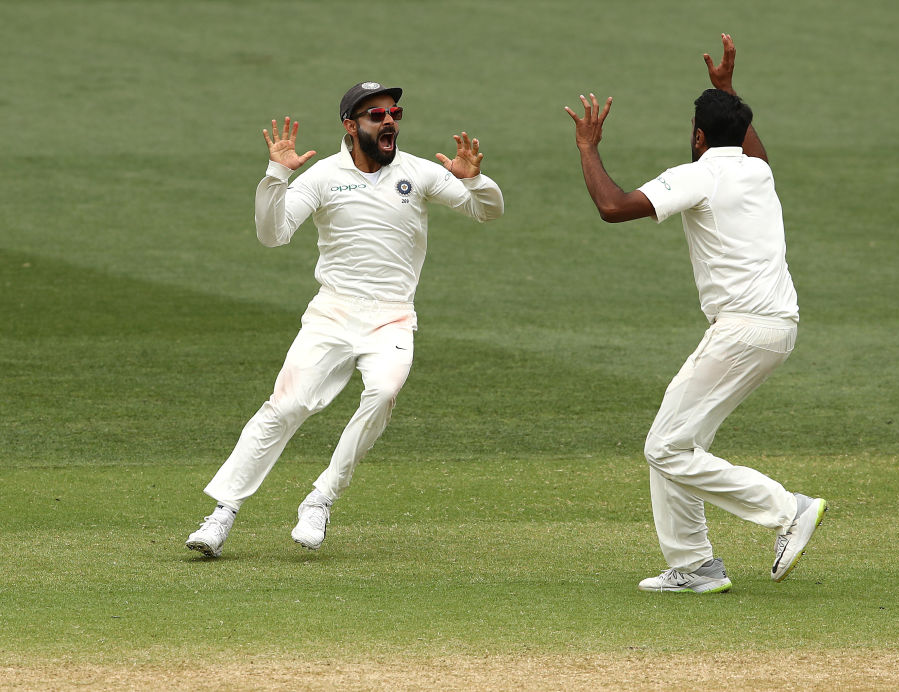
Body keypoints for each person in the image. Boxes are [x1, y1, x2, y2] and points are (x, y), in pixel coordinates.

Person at [186, 81, 504, 557]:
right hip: (333, 313)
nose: (389, 120)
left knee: (383, 392)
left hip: (393, 317)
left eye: (394, 112)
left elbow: (488, 211)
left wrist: (474, 179)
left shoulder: (418, 173)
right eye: (376, 115)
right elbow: (272, 235)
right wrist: (277, 174)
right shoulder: (322, 177)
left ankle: (321, 498)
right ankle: (222, 514)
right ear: (351, 126)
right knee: (288, 406)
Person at [565, 34, 826, 592]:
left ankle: (788, 509)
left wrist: (588, 145)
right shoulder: (758, 170)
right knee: (677, 440)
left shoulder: (700, 173)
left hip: (742, 332)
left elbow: (613, 207)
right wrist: (729, 92)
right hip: (777, 328)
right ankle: (694, 566)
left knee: (664, 447)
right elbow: (751, 147)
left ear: (699, 136)